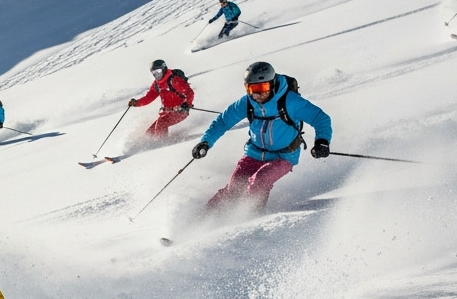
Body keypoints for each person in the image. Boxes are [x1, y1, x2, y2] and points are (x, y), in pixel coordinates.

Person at [192, 61, 333, 211]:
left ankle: (250, 221)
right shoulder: (247, 102)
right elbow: (222, 122)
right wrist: (205, 142)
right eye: (251, 88)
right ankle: (202, 218)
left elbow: (320, 118)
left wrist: (322, 141)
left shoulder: (290, 102)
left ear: (272, 84)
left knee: (259, 182)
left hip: (283, 156)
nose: (257, 94)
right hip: (254, 153)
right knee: (233, 189)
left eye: (262, 87)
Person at [128, 59, 195, 138]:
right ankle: (150, 146)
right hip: (167, 113)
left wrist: (187, 104)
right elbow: (149, 97)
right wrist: (137, 103)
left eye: (158, 71)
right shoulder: (157, 84)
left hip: (180, 111)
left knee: (161, 123)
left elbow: (189, 92)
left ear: (164, 69)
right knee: (150, 133)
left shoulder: (174, 80)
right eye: (154, 73)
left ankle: (162, 144)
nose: (157, 75)